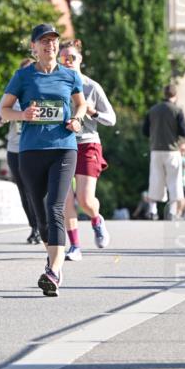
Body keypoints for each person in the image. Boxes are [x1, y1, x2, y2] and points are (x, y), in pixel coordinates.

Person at [0, 24, 86, 297]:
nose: (50, 45)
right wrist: (22, 115)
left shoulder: (70, 76)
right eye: (43, 42)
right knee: (40, 214)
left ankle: (55, 271)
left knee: (56, 207)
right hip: (31, 151)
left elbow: (80, 104)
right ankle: (52, 261)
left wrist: (77, 119)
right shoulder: (22, 77)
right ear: (33, 47)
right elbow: (3, 110)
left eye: (53, 41)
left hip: (63, 148)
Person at [58, 39, 116, 260]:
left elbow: (111, 119)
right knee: (64, 198)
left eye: (72, 57)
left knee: (84, 200)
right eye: (64, 58)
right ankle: (75, 246)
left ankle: (96, 219)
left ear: (80, 59)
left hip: (87, 143)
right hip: (62, 144)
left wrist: (92, 113)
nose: (68, 61)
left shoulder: (92, 86)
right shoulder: (56, 85)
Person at [0, 58, 40, 244]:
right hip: (16, 148)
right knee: (24, 190)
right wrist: (3, 119)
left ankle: (45, 224)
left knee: (38, 189)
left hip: (37, 147)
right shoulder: (12, 94)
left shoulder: (41, 93)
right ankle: (34, 227)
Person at [142, 83, 185, 221]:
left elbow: (144, 131)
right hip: (172, 150)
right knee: (174, 181)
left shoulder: (153, 110)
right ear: (175, 95)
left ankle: (153, 211)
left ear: (164, 94)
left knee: (155, 179)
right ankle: (172, 212)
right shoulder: (177, 110)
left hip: (155, 149)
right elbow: (184, 131)